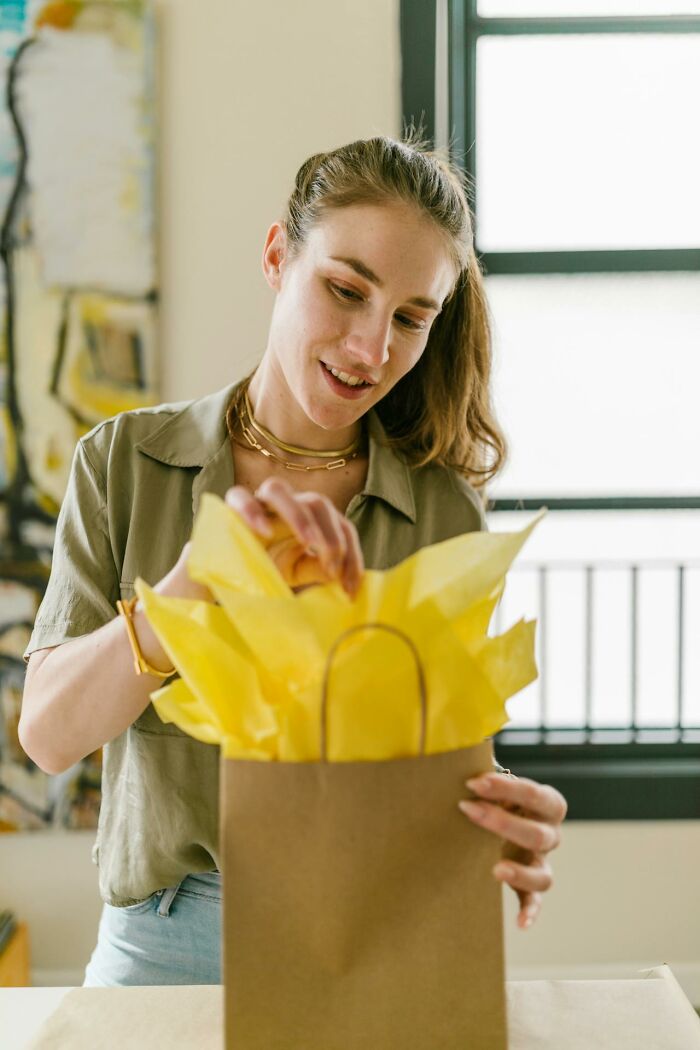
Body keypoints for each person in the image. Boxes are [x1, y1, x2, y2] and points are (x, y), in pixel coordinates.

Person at [19, 133, 567, 987]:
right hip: (161, 952)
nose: (370, 347)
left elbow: (440, 765)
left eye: (411, 319)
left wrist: (501, 812)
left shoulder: (443, 511)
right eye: (346, 290)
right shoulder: (124, 462)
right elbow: (49, 737)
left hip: (369, 947)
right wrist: (190, 588)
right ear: (278, 255)